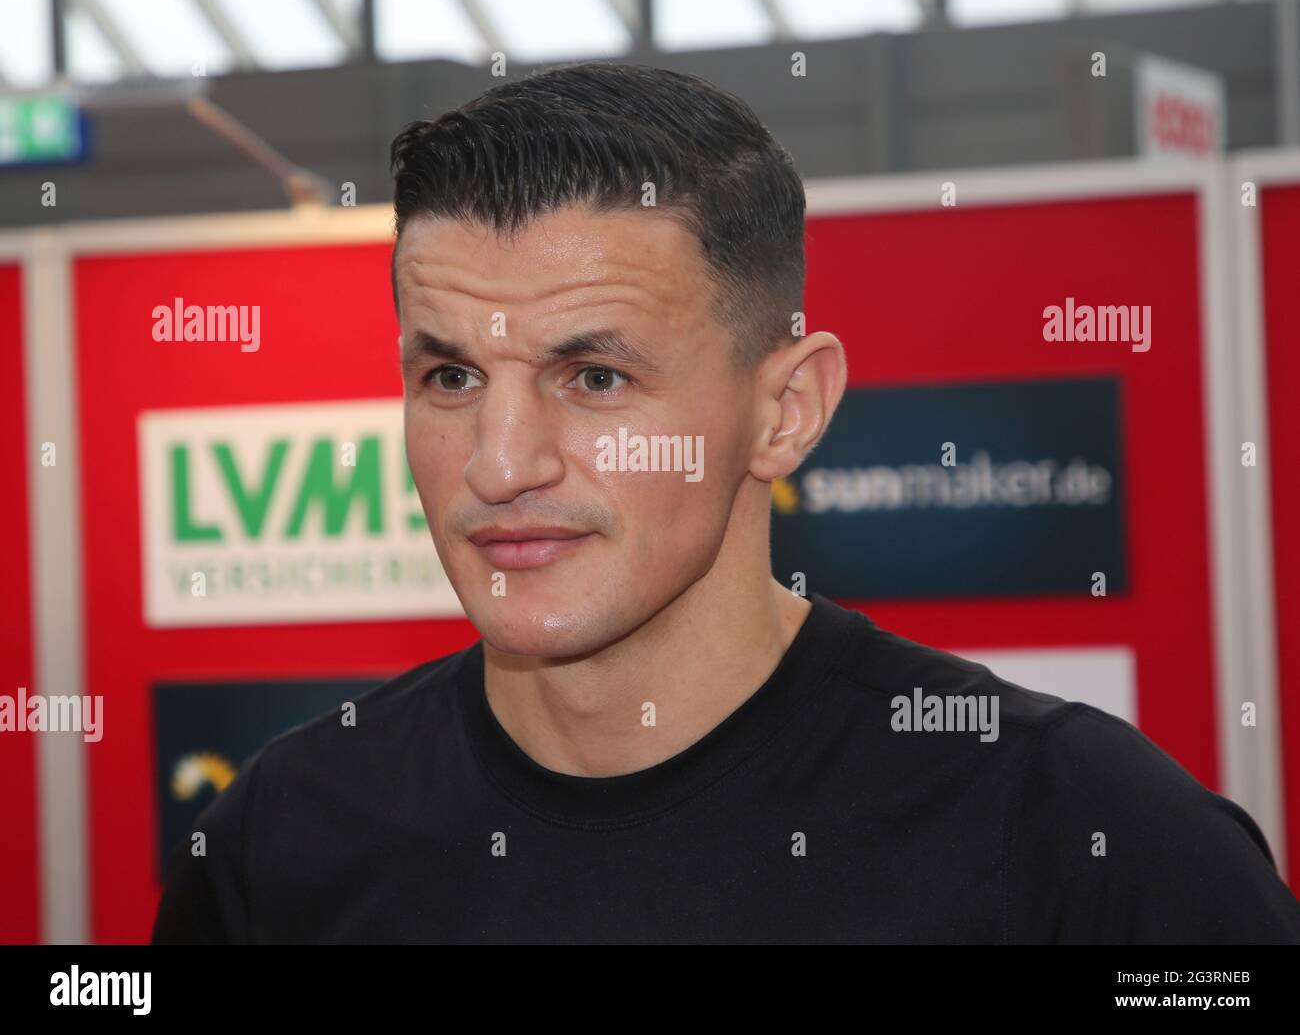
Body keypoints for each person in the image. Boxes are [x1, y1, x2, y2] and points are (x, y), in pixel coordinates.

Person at [151, 60, 1300, 944]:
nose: (499, 465)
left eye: (594, 377)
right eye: (450, 376)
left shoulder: (1086, 839)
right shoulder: (278, 845)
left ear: (786, 412)